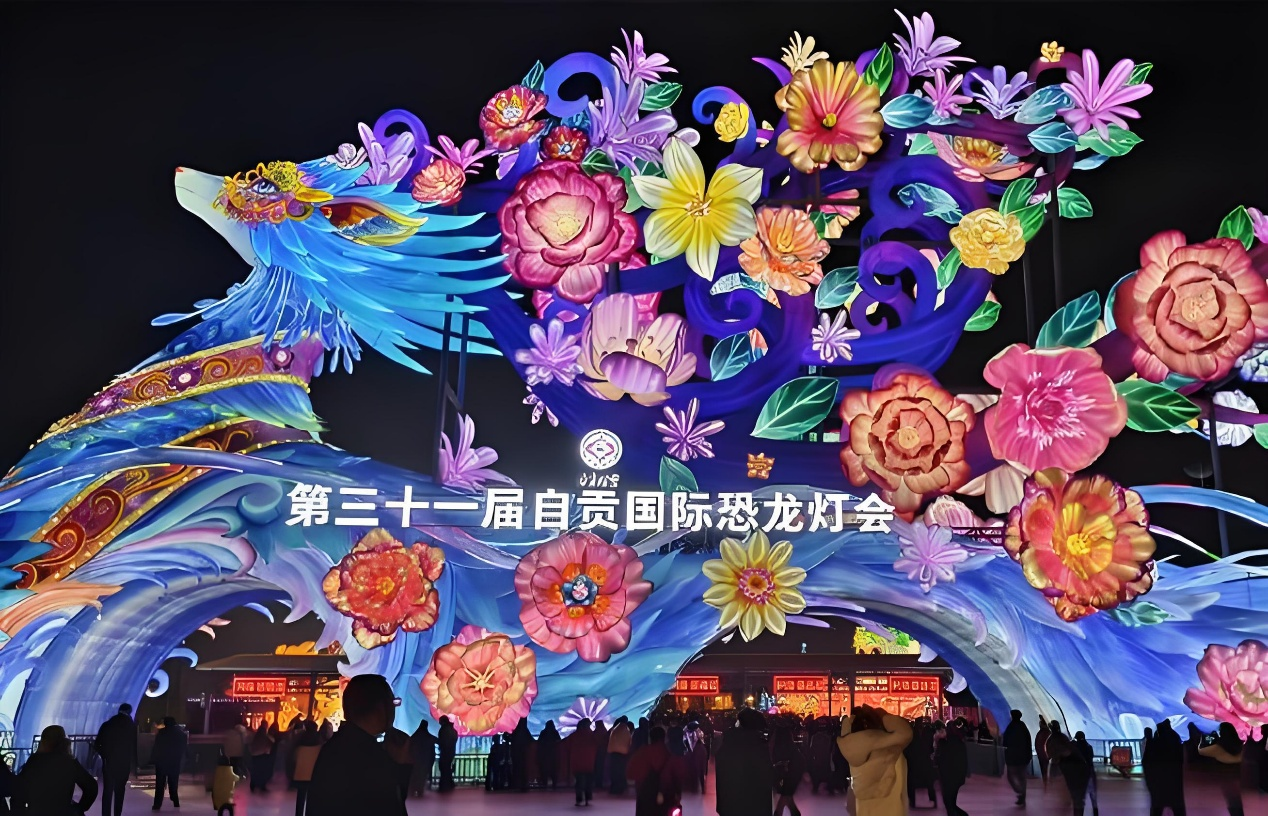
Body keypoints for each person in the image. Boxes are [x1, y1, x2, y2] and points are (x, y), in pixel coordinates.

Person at [306, 674, 407, 816]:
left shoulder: (337, 747)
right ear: (380, 708)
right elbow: (389, 806)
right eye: (393, 703)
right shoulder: (370, 756)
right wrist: (399, 766)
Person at [838, 706, 913, 816]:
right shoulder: (895, 755)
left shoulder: (854, 753)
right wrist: (882, 715)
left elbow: (852, 798)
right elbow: (903, 794)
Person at [14, 725, 98, 815]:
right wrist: (80, 808)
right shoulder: (69, 762)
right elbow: (91, 786)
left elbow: (20, 788)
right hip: (62, 811)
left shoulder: (34, 761)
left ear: (43, 741)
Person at [715, 708, 773, 816]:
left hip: (730, 805)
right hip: (755, 806)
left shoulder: (728, 741)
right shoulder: (758, 744)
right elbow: (766, 774)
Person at [628, 725, 687, 816]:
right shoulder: (671, 754)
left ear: (650, 738)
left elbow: (630, 772)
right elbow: (679, 776)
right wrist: (677, 794)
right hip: (667, 796)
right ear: (665, 738)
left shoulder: (642, 753)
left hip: (645, 797)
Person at [94, 703, 136, 816]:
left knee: (107, 790)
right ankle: (117, 813)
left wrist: (105, 755)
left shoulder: (107, 724)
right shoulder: (131, 726)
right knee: (120, 790)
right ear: (129, 711)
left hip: (109, 763)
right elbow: (135, 746)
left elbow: (97, 744)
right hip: (124, 763)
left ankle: (105, 814)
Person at [1198, 723, 1244, 816]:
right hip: (1238, 775)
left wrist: (1203, 738)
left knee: (1232, 801)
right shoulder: (1241, 747)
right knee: (1236, 801)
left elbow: (1201, 751)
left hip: (1226, 777)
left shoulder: (1217, 748)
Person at [1142, 719, 1184, 816]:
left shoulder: (1156, 741)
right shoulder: (1175, 737)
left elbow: (1147, 760)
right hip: (1174, 779)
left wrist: (1149, 740)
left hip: (1159, 781)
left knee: (1157, 805)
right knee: (1176, 805)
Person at [1048, 724, 1091, 816]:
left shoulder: (1062, 759)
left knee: (1077, 799)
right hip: (1079, 776)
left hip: (1076, 777)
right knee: (1077, 800)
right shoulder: (1071, 750)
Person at [149, 716, 187, 810]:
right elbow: (183, 748)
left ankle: (157, 804)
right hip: (174, 761)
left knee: (160, 784)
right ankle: (175, 801)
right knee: (173, 782)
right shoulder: (181, 734)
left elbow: (156, 747)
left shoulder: (161, 733)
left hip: (161, 761)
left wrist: (153, 759)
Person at [934, 719, 969, 816]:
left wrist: (937, 740)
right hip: (956, 776)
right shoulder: (960, 742)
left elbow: (939, 758)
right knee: (951, 800)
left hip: (947, 776)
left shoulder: (945, 742)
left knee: (948, 801)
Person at [771, 727, 806, 816]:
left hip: (788, 776)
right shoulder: (791, 747)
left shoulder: (780, 747)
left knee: (784, 801)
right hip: (792, 776)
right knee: (788, 800)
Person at [1002, 710, 1033, 807]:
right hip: (1023, 757)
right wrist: (1028, 755)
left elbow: (1005, 742)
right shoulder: (1023, 727)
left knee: (1011, 776)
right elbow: (1028, 742)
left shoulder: (1010, 727)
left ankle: (1020, 792)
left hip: (1012, 757)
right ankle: (1022, 795)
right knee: (1022, 777)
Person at [565, 718, 598, 806]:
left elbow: (568, 747)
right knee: (588, 782)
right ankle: (587, 798)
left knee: (579, 782)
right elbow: (597, 745)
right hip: (589, 762)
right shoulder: (592, 735)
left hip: (576, 762)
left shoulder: (574, 735)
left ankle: (579, 799)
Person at [904, 718, 936, 808]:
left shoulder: (912, 733)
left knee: (913, 782)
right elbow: (930, 747)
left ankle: (913, 801)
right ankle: (931, 799)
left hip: (916, 760)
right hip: (921, 759)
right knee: (927, 782)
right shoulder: (926, 732)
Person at [291, 722, 321, 816]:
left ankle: (298, 814)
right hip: (313, 776)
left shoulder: (300, 743)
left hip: (300, 775)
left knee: (300, 798)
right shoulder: (319, 744)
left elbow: (294, 759)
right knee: (311, 799)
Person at [409, 720, 437, 797]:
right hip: (425, 759)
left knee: (414, 775)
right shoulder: (429, 737)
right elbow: (435, 745)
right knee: (422, 776)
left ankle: (412, 790)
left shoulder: (414, 736)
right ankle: (420, 791)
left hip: (414, 759)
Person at [1074, 732, 1098, 816]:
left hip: (1080, 775)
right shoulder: (1089, 747)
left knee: (1081, 797)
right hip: (1090, 773)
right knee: (1093, 796)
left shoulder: (1075, 747)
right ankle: (1096, 813)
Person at [609, 717, 633, 795]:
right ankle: (621, 787)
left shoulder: (614, 730)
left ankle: (614, 787)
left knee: (614, 771)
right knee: (621, 771)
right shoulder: (627, 731)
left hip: (613, 753)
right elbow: (629, 742)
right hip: (623, 754)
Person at [248, 723, 275, 792]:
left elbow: (250, 743)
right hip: (262, 755)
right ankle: (262, 786)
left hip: (254, 755)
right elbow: (272, 741)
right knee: (262, 772)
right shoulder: (265, 735)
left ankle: (253, 785)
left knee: (255, 771)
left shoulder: (255, 735)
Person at [512, 718, 535, 792]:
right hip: (524, 754)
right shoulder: (525, 731)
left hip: (516, 753)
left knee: (517, 768)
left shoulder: (515, 731)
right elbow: (531, 740)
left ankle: (516, 784)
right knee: (524, 768)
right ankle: (523, 784)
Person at [437, 716, 458, 793]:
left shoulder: (444, 730)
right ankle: (449, 783)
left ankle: (444, 784)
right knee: (447, 768)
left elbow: (442, 741)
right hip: (451, 752)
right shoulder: (453, 730)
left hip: (445, 752)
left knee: (444, 768)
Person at [539, 721, 562, 790]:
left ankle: (545, 784)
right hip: (554, 754)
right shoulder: (555, 732)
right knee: (554, 770)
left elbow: (539, 742)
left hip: (544, 754)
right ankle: (554, 784)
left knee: (545, 770)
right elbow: (559, 740)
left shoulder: (543, 732)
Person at [1034, 719, 1051, 790]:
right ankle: (1048, 785)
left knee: (1044, 771)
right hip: (1047, 757)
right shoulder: (1048, 733)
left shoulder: (1040, 733)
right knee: (1048, 771)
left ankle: (1046, 785)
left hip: (1042, 756)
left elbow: (1037, 744)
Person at [594, 720, 610, 790]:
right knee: (601, 769)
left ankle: (598, 783)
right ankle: (600, 783)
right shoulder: (604, 732)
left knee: (598, 768)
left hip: (597, 753)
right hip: (603, 753)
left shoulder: (596, 732)